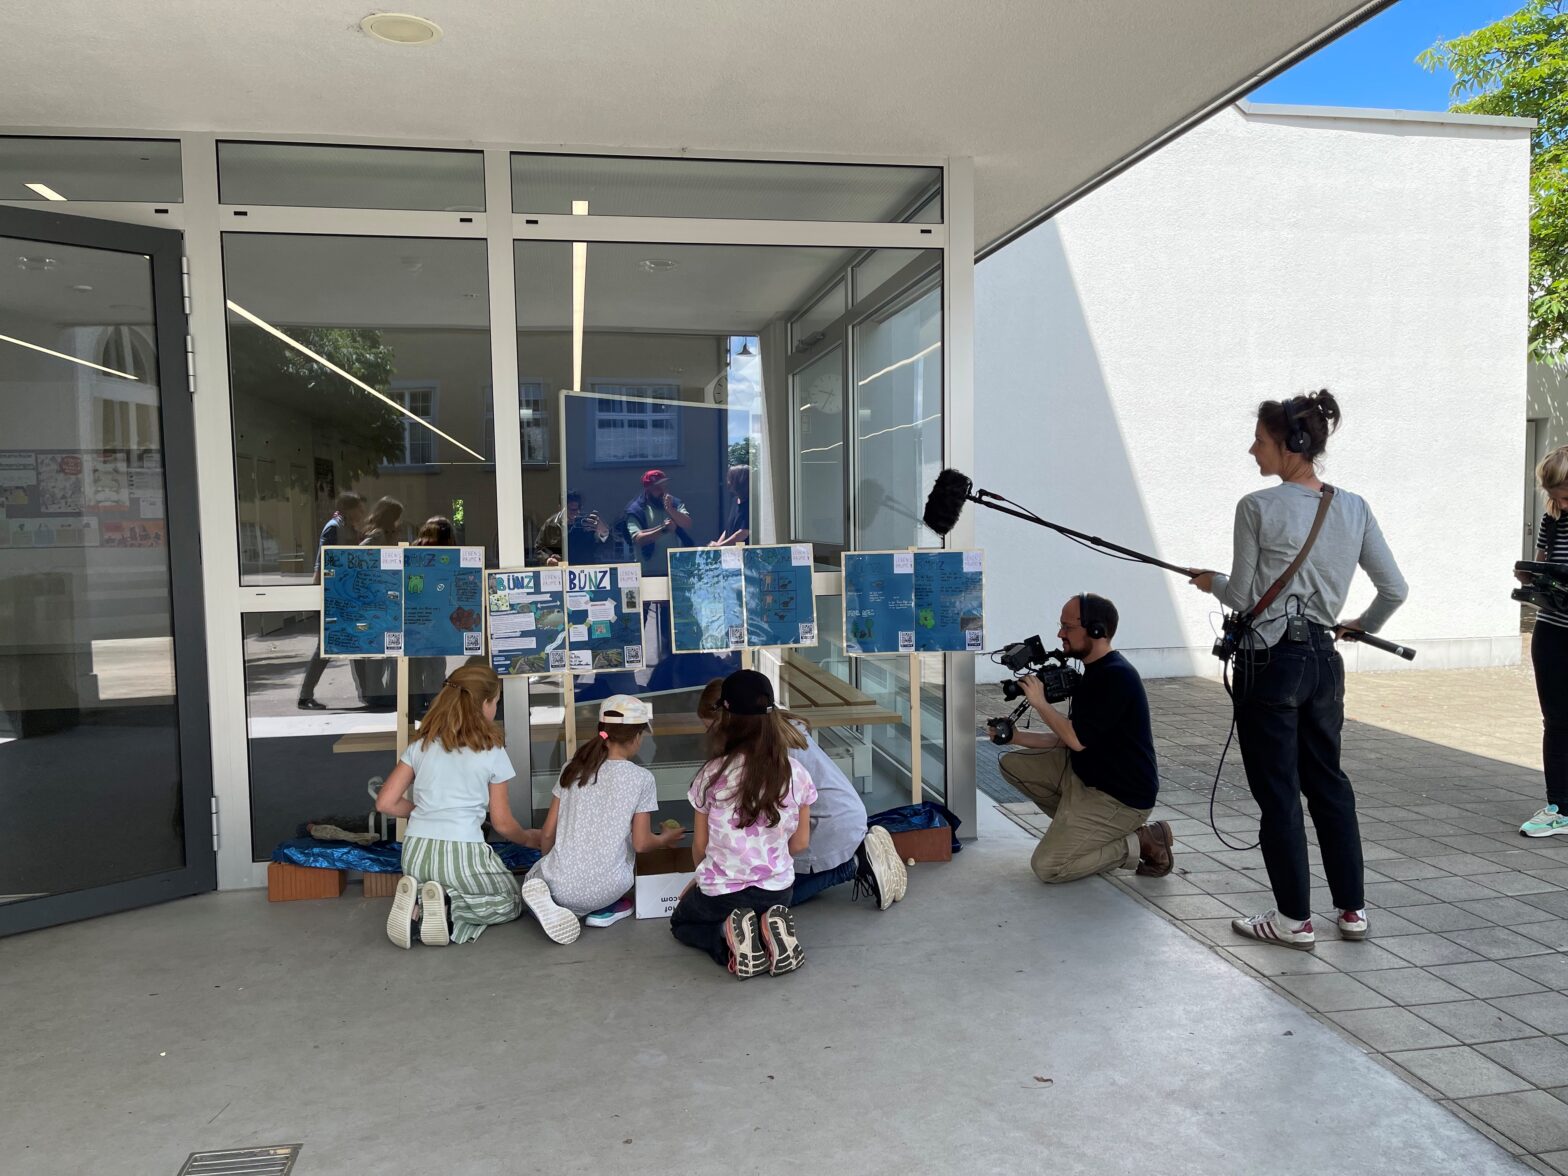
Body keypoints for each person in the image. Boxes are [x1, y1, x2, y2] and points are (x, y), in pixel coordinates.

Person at [1189, 390, 1406, 950]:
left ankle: (1293, 921)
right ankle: (1352, 912)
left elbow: (1240, 593)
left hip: (1270, 663)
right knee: (1328, 784)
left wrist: (1208, 580)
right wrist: (1356, 622)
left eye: (1259, 440)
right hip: (1323, 664)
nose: (1252, 450)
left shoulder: (1256, 507)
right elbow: (1395, 589)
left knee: (1279, 792)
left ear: (1290, 444)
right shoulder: (1353, 506)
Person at [995, 594, 1170, 884]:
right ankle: (1080, 831)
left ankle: (1143, 840)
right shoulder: (1093, 670)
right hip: (1083, 776)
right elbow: (1068, 739)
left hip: (1119, 797)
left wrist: (1040, 703)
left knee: (1047, 867)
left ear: (1096, 630)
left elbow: (1075, 740)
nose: (1060, 634)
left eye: (1067, 627)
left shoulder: (1117, 677)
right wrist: (1015, 736)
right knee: (1013, 764)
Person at [697, 677, 906, 909]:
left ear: (730, 720)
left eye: (711, 729)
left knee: (770, 900)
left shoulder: (770, 752)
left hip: (827, 827)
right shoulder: (778, 732)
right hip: (840, 816)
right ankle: (860, 850)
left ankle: (856, 862)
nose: (711, 738)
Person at [373, 665, 540, 948]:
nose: (495, 709)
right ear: (486, 703)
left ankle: (420, 908)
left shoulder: (422, 745)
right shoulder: (493, 751)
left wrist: (421, 812)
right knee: (510, 901)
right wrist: (527, 838)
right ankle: (450, 908)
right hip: (462, 852)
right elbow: (500, 822)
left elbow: (385, 802)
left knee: (433, 884)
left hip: (415, 852)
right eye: (495, 703)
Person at [671, 670, 816, 980]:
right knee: (760, 908)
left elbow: (700, 847)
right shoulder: (796, 773)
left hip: (724, 894)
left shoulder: (710, 776)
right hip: (777, 891)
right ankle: (767, 935)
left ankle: (728, 937)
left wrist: (701, 879)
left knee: (682, 923)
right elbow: (801, 843)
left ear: (725, 717)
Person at [518, 695, 684, 944]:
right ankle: (604, 910)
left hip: (559, 882)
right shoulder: (641, 778)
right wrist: (664, 839)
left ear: (602, 731)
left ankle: (553, 906)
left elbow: (548, 833)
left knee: (532, 883)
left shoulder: (571, 768)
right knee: (618, 890)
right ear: (637, 737)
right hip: (609, 886)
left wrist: (547, 864)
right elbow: (640, 844)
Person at [1519, 446, 1568, 837]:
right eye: (1552, 493)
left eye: (1563, 493)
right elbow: (1542, 560)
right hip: (1552, 628)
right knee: (1556, 719)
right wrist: (1532, 578)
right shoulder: (1553, 518)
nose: (1557, 501)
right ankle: (1559, 807)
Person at [297, 491, 366, 710]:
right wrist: (318, 598)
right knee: (325, 647)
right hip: (333, 596)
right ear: (349, 509)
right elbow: (323, 561)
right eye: (359, 508)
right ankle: (304, 696)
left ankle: (367, 692)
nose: (362, 512)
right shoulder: (334, 528)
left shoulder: (345, 527)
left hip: (342, 595)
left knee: (351, 643)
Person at [620, 469, 694, 576]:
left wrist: (671, 510)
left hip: (675, 570)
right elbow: (638, 539)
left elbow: (688, 524)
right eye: (657, 487)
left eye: (664, 485)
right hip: (647, 572)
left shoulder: (674, 503)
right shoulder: (636, 510)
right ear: (647, 489)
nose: (662, 490)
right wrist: (663, 530)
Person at [535, 490, 612, 566]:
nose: (577, 513)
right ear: (560, 508)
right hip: (561, 571)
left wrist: (604, 532)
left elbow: (607, 546)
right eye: (572, 510)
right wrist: (547, 559)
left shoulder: (587, 522)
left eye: (579, 509)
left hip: (586, 569)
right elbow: (538, 548)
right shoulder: (551, 524)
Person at [711, 465, 750, 546]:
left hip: (745, 553)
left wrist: (720, 546)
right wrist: (718, 544)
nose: (728, 482)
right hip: (731, 552)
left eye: (730, 479)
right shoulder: (735, 501)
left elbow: (743, 533)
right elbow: (728, 529)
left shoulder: (749, 504)